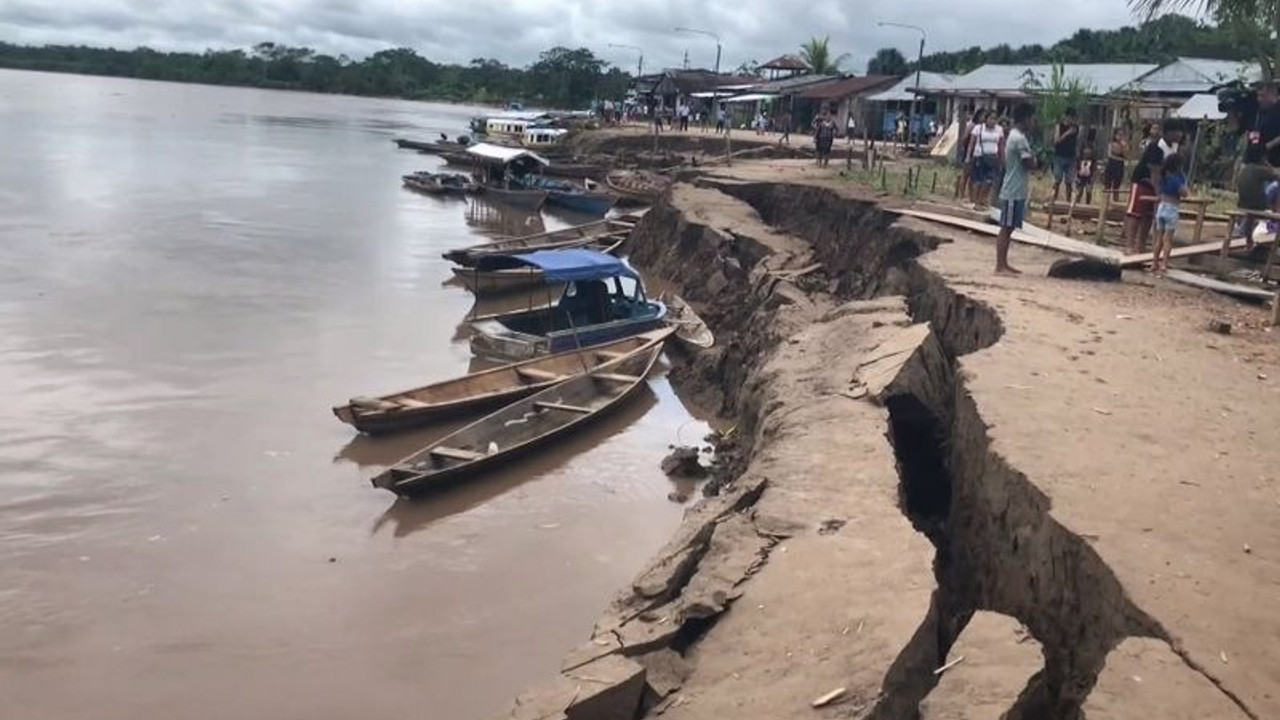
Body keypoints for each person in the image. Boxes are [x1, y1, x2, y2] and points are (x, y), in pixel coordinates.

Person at [1125, 122, 1184, 254]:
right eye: (1178, 131)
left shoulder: (1175, 148)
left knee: (1148, 216)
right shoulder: (1157, 146)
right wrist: (1159, 192)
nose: (1180, 135)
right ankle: (1129, 245)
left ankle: (1141, 246)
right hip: (1142, 181)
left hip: (1158, 184)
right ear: (1169, 133)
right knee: (1135, 213)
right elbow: (1154, 170)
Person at [1236, 81, 1280, 247]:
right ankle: (1250, 238)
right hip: (1256, 162)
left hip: (1270, 163)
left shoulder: (1277, 111)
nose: (1259, 99)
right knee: (1253, 207)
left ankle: (1264, 237)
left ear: (1273, 93)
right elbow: (1251, 135)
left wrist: (1269, 146)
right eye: (1258, 95)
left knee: (1268, 204)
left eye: (1263, 95)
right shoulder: (1257, 113)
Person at [995, 102, 1037, 275]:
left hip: (1016, 188)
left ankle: (1004, 263)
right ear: (1026, 119)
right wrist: (1037, 161)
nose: (1034, 122)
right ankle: (1000, 265)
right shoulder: (1019, 139)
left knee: (1009, 227)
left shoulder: (1015, 136)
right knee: (1006, 227)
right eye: (1032, 118)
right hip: (1013, 189)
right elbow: (1029, 163)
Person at [1151, 153, 1189, 273]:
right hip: (1172, 208)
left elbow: (1159, 190)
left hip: (1161, 207)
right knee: (1167, 239)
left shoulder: (1164, 176)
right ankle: (1164, 264)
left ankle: (1154, 262)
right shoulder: (1178, 177)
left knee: (1158, 238)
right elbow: (1184, 193)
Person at [966, 110, 1005, 210]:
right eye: (991, 118)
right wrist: (968, 156)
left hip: (993, 158)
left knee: (989, 181)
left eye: (995, 119)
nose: (993, 121)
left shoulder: (999, 130)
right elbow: (972, 143)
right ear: (986, 119)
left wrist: (1002, 160)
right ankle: (976, 202)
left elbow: (1001, 145)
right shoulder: (978, 129)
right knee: (978, 180)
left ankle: (983, 199)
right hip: (979, 156)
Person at [1051, 108, 1079, 202]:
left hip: (1071, 157)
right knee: (1057, 180)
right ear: (1067, 117)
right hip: (1059, 156)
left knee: (1069, 182)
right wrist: (1067, 133)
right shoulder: (1059, 126)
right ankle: (1053, 200)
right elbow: (1056, 141)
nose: (1073, 120)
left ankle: (1068, 202)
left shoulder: (1076, 128)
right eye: (1071, 117)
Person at [1103, 128, 1128, 195]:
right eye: (1119, 134)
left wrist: (1122, 147)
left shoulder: (1124, 145)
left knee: (1116, 187)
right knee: (1107, 184)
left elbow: (1125, 156)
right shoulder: (1111, 143)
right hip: (1111, 163)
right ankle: (1106, 201)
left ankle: (1115, 201)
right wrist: (1118, 152)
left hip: (1119, 165)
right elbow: (1110, 154)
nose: (1120, 136)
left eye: (1122, 135)